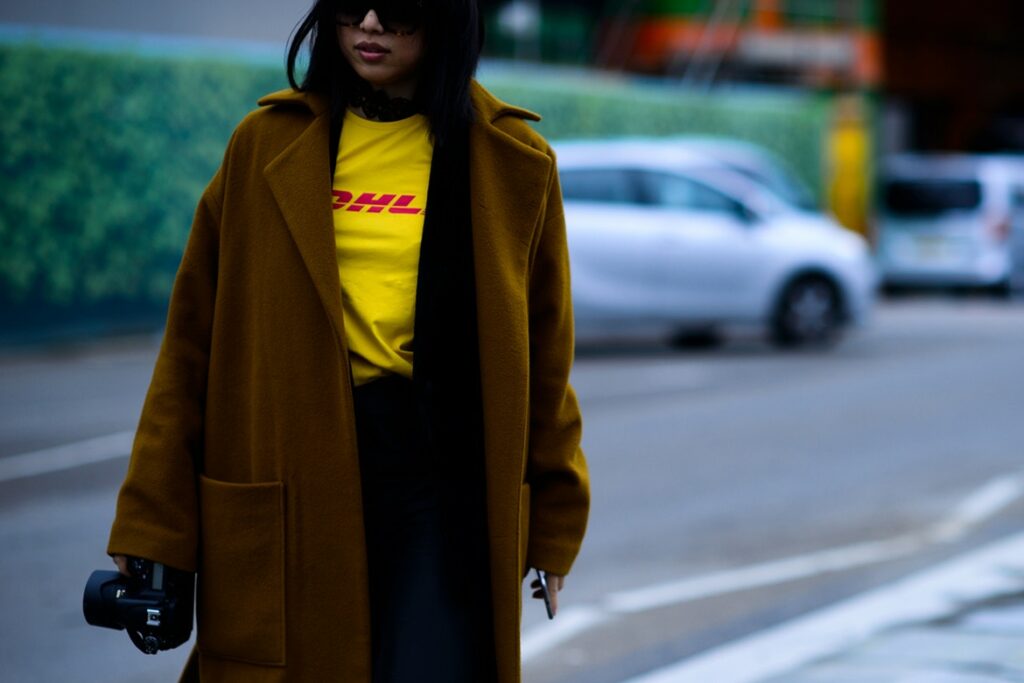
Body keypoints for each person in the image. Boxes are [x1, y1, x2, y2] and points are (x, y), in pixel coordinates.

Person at [106, 0, 590, 681]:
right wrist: (150, 519)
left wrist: (555, 524)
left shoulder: (514, 163)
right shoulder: (264, 145)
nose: (368, 24)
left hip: (437, 484)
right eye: (349, 4)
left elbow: (546, 361)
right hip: (288, 475)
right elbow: (189, 346)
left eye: (396, 7)